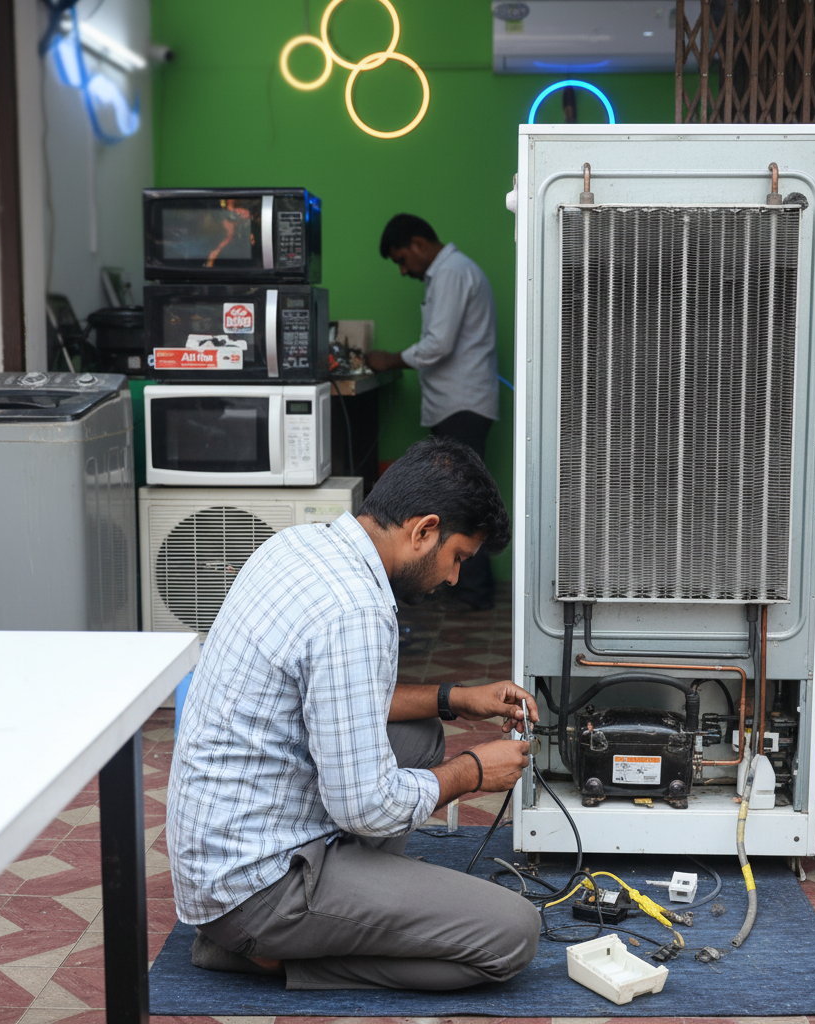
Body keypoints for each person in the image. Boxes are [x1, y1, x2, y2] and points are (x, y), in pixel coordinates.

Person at [166, 436, 541, 991]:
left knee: (417, 735)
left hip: (218, 853)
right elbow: (368, 807)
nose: (455, 578)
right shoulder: (355, 610)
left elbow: (341, 698)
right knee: (513, 933)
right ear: (424, 530)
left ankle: (344, 899)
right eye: (458, 557)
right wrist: (474, 772)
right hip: (256, 889)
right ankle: (270, 954)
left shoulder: (299, 546)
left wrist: (458, 697)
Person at [367, 213, 500, 610]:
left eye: (402, 259)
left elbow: (438, 344)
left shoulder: (452, 272)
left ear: (419, 244)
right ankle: (465, 590)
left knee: (461, 502)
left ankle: (472, 593)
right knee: (457, 498)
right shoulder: (449, 272)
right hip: (458, 402)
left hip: (462, 403)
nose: (403, 270)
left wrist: (390, 359)